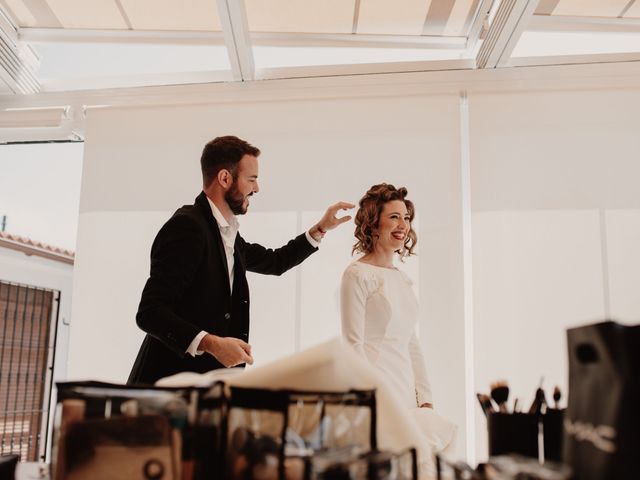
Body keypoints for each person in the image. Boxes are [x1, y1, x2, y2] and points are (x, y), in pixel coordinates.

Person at [128, 135, 353, 385]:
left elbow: (275, 261)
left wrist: (321, 228)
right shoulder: (187, 227)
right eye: (252, 179)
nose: (256, 189)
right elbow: (150, 312)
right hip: (165, 389)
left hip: (205, 390)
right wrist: (212, 344)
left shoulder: (228, 235)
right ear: (225, 178)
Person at [340, 183, 456, 452]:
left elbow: (411, 342)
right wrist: (372, 397)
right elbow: (352, 345)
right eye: (394, 217)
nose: (403, 224)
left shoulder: (402, 280)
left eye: (406, 217)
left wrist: (425, 397)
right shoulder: (356, 275)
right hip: (376, 390)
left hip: (406, 391)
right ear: (373, 224)